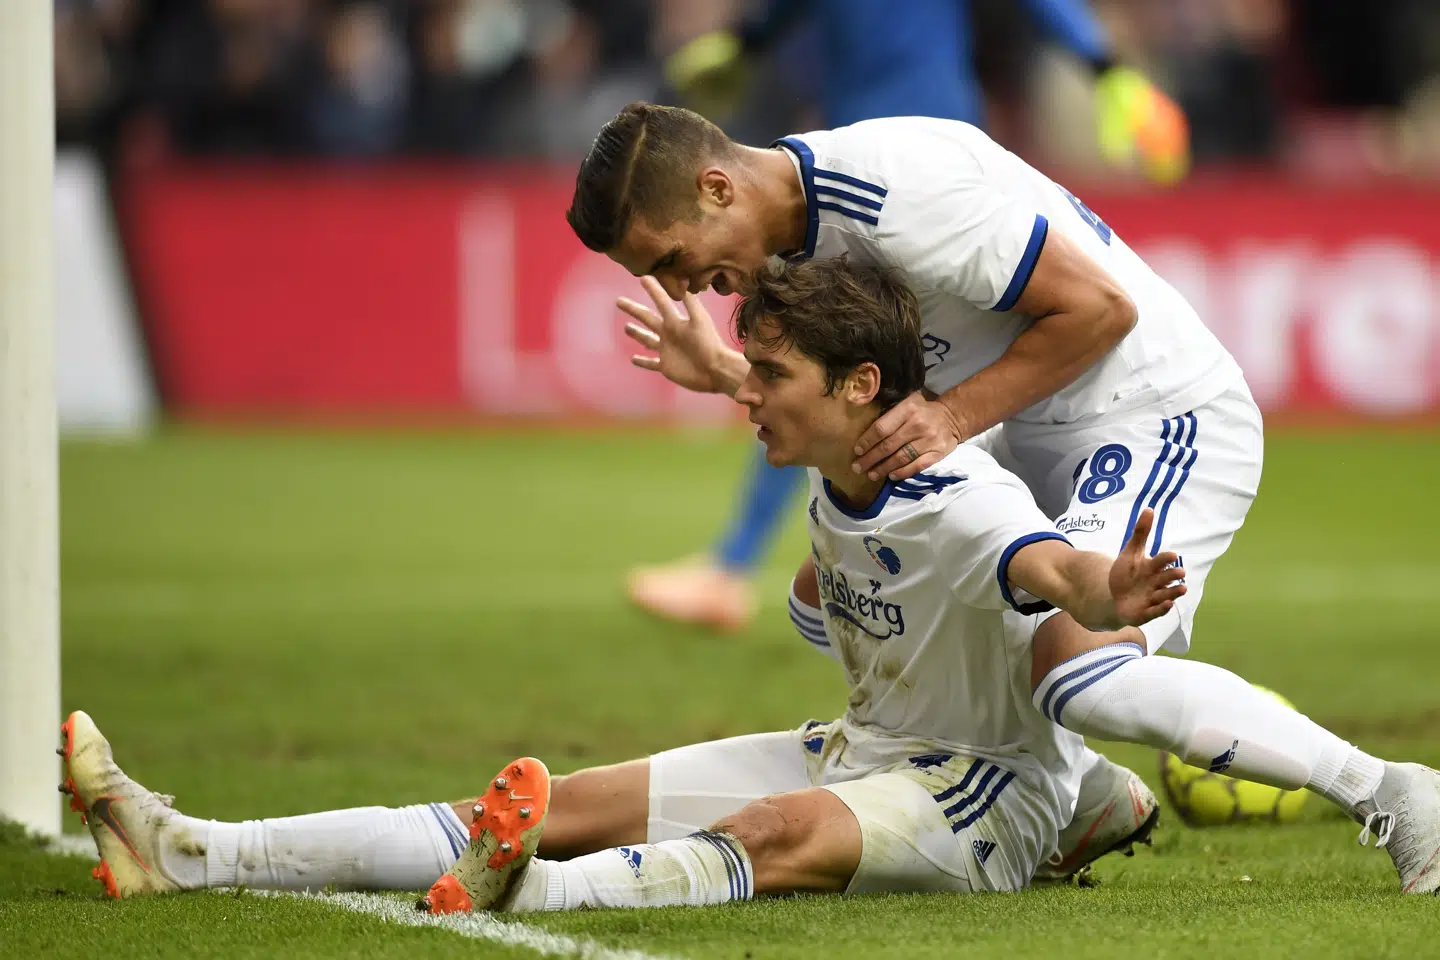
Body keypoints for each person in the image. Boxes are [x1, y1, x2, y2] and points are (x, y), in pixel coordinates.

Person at [63, 261, 1438, 907]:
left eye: (767, 379)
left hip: (975, 795)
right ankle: (194, 847)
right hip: (868, 748)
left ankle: (525, 901)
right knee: (545, 803)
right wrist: (736, 376)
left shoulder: (966, 500)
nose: (746, 401)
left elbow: (1039, 563)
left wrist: (1106, 584)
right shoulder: (837, 462)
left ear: (854, 388)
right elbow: (823, 572)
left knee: (774, 834)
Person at [567, 105, 1440, 891]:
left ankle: (1394, 792)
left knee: (1080, 675)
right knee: (828, 607)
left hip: (1145, 415)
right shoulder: (790, 241)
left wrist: (948, 419)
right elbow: (841, 399)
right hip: (1016, 431)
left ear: (717, 187)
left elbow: (1101, 308)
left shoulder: (894, 191)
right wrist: (730, 375)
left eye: (674, 260)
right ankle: (1082, 792)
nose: (683, 288)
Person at [630, 0, 1188, 636]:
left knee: (833, 368)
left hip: (909, 158)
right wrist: (747, 44)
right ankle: (829, 566)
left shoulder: (899, 186)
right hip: (843, 157)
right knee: (840, 371)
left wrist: (1105, 64)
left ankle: (740, 567)